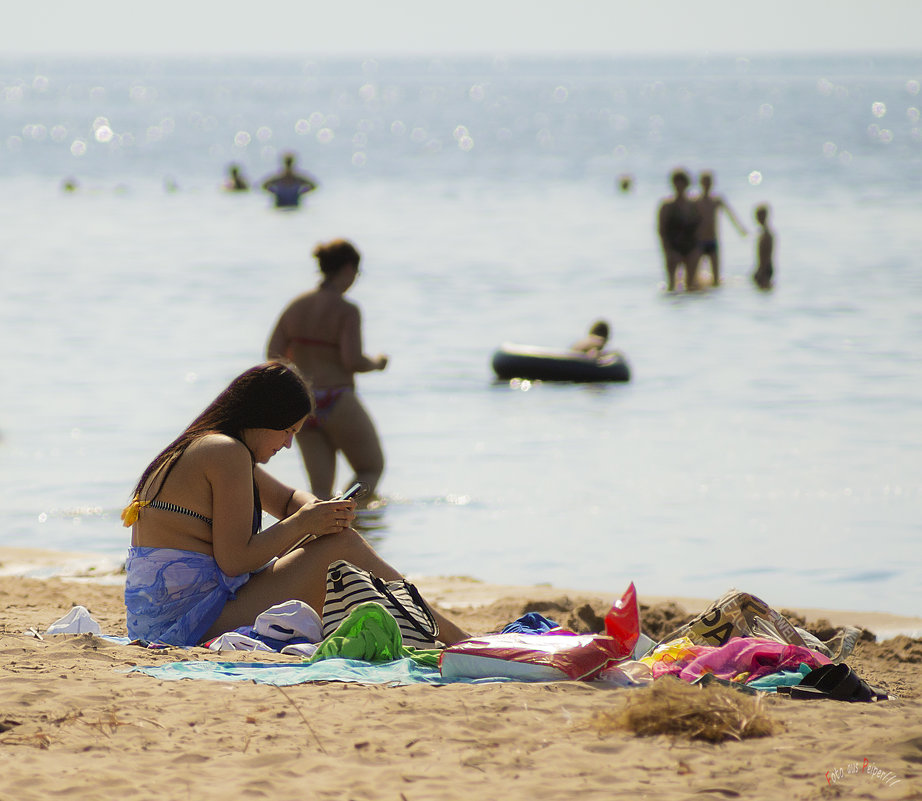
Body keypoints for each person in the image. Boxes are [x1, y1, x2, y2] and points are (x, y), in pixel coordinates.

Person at [120, 361, 468, 647]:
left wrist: (320, 511)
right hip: (185, 623)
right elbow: (234, 561)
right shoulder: (226, 453)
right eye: (287, 431)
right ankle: (456, 638)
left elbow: (287, 501)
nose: (287, 444)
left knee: (332, 544)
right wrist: (306, 523)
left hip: (165, 618)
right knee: (342, 546)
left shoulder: (210, 446)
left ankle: (434, 630)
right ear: (263, 416)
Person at [267, 239, 387, 504]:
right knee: (370, 468)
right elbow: (352, 360)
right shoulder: (347, 310)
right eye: (356, 272)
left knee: (319, 492)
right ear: (346, 269)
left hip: (304, 405)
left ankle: (323, 536)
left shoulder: (296, 306)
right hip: (337, 399)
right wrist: (377, 363)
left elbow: (272, 356)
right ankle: (353, 523)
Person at [695, 171, 747, 287]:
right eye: (704, 182)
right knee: (695, 277)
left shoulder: (716, 200)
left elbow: (730, 214)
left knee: (716, 278)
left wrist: (740, 229)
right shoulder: (696, 201)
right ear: (700, 183)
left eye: (709, 182)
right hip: (699, 242)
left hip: (712, 241)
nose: (706, 185)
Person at [657, 169, 702, 291]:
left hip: (691, 247)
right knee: (671, 285)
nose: (679, 186)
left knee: (691, 284)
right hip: (673, 247)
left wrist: (698, 249)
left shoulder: (693, 205)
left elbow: (699, 227)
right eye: (676, 183)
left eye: (682, 183)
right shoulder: (667, 206)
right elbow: (661, 230)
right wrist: (667, 250)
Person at [752, 204, 775, 290]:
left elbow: (766, 254)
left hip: (765, 268)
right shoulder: (762, 233)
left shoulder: (767, 234)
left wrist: (761, 270)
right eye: (757, 216)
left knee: (764, 290)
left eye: (759, 215)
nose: (757, 218)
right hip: (763, 267)